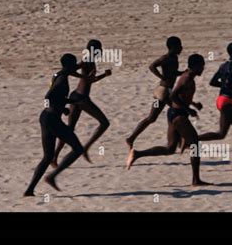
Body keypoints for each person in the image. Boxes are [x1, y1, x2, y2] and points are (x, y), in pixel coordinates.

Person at [126, 54, 210, 186]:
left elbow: (182, 96)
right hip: (179, 115)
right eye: (202, 65)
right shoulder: (186, 78)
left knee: (170, 148)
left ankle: (137, 154)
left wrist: (193, 104)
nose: (203, 68)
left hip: (174, 113)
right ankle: (196, 180)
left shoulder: (188, 76)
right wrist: (189, 110)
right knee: (195, 144)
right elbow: (173, 95)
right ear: (196, 66)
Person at [24, 54, 85, 196]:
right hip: (52, 119)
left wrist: (62, 107)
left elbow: (57, 97)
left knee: (47, 157)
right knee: (78, 149)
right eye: (73, 64)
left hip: (45, 117)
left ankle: (29, 190)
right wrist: (67, 104)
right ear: (68, 66)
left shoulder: (58, 73)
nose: (75, 67)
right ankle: (52, 176)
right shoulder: (63, 79)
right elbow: (48, 96)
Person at [51, 39, 111, 167]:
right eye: (99, 48)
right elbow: (71, 71)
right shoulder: (87, 60)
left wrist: (104, 75)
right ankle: (86, 148)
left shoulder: (90, 60)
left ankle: (54, 157)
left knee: (69, 129)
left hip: (76, 96)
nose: (101, 51)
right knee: (104, 123)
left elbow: (90, 80)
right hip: (82, 99)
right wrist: (84, 77)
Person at [198, 42, 232, 168]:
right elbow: (230, 84)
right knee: (225, 133)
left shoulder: (223, 65)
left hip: (221, 99)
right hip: (227, 101)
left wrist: (224, 85)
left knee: (229, 132)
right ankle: (192, 138)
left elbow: (213, 82)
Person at [125, 36, 183, 149]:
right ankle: (179, 142)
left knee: (152, 118)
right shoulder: (166, 58)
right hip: (164, 91)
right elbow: (152, 66)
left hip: (162, 91)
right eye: (179, 46)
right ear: (173, 47)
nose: (181, 48)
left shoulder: (174, 58)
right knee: (179, 112)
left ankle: (131, 138)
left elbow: (173, 73)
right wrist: (161, 76)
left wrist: (182, 73)